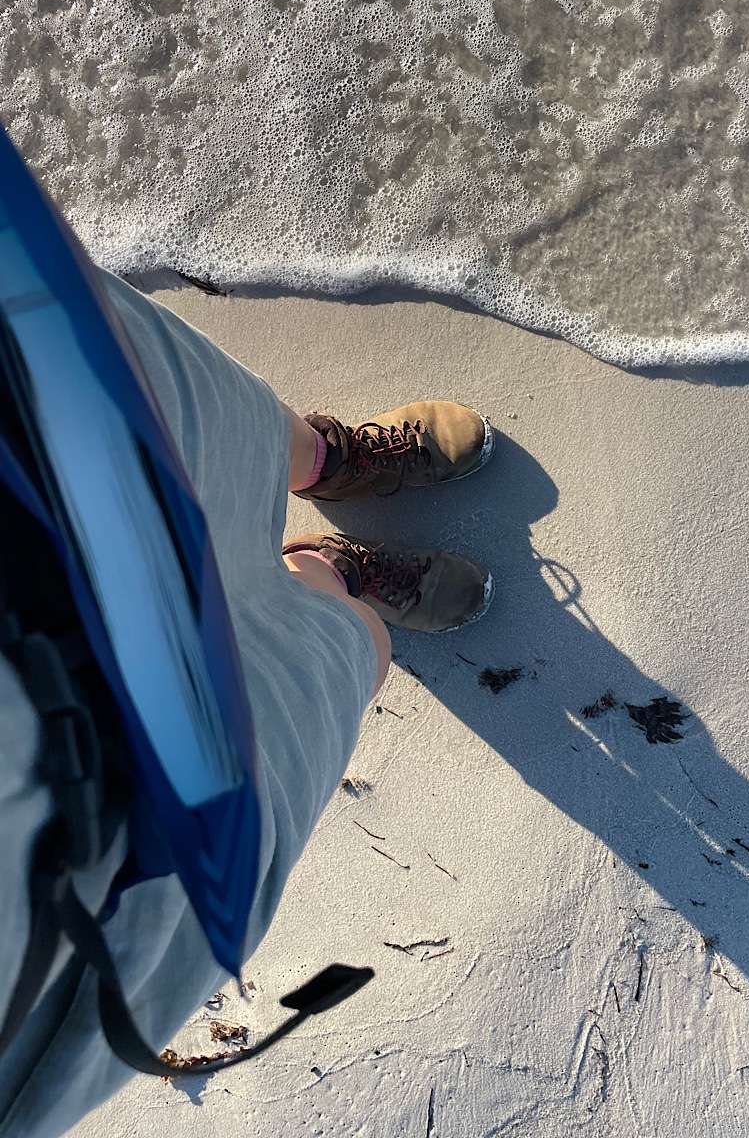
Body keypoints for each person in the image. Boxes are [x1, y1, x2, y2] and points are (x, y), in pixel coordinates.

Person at [0, 267, 494, 1137]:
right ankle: (333, 574)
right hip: (80, 867)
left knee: (209, 424)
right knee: (328, 662)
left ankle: (333, 460)